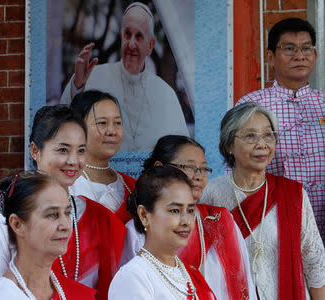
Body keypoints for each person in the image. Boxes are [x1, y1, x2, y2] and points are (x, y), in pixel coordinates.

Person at [0, 105, 125, 300]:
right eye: (63, 149)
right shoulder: (1, 217)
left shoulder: (97, 216)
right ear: (34, 150)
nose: (74, 161)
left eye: (81, 151)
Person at [201, 102, 325, 299]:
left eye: (268, 135)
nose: (262, 144)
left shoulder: (293, 194)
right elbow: (199, 261)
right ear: (229, 145)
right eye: (250, 136)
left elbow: (314, 261)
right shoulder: (209, 194)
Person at [122, 135, 256, 299]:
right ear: (160, 168)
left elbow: (245, 283)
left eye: (203, 169)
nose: (199, 176)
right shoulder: (138, 230)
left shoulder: (221, 220)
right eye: (190, 167)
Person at [236, 18, 324, 241]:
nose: (299, 56)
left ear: (314, 55)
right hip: (272, 228)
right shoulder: (252, 106)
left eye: (306, 48)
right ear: (270, 58)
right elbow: (236, 171)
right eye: (289, 48)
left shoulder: (323, 104)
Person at [60, 2, 189, 151]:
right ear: (121, 37)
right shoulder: (94, 77)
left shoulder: (165, 93)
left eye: (139, 36)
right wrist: (77, 87)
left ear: (150, 45)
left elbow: (180, 150)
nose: (131, 44)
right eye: (127, 34)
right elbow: (64, 124)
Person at [109, 166, 216, 299]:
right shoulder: (133, 277)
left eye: (190, 211)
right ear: (144, 215)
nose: (186, 221)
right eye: (175, 210)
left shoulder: (191, 274)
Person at [0, 172, 96, 299]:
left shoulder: (77, 294)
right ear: (17, 224)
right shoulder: (4, 296)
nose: (65, 225)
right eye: (52, 215)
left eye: (67, 212)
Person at [69, 90, 136, 223]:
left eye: (117, 123)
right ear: (77, 128)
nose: (112, 131)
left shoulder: (132, 187)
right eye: (102, 123)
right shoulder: (67, 186)